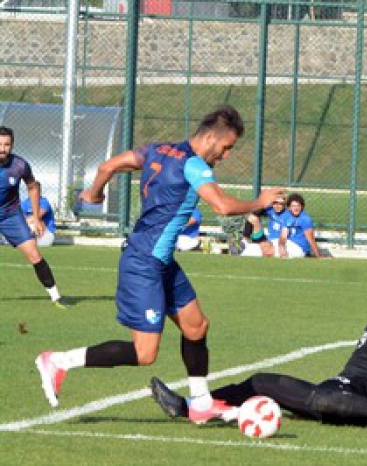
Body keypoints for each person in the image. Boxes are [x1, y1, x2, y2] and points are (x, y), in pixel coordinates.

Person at [34, 105, 285, 423]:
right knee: (144, 353)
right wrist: (259, 203)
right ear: (209, 137)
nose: (225, 156)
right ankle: (58, 361)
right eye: (226, 148)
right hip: (144, 262)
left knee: (196, 326)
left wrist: (94, 193)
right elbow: (221, 206)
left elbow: (110, 165)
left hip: (160, 260)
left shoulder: (157, 150)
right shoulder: (194, 165)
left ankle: (201, 402)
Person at [150, 258, 367, 430]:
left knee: (325, 400)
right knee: (262, 382)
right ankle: (188, 406)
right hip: (336, 390)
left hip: (359, 395)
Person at [0, 126, 68, 308]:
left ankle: (56, 297)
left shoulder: (19, 165)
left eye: (7, 144)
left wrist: (37, 218)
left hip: (9, 215)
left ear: (12, 145)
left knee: (34, 253)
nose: (2, 148)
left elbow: (33, 186)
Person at [277, 193, 323, 259]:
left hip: (300, 248)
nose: (296, 208)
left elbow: (311, 239)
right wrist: (281, 246)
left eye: (298, 206)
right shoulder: (286, 216)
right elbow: (283, 236)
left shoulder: (305, 219)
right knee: (268, 247)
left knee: (272, 251)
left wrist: (318, 256)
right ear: (289, 207)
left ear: (302, 207)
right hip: (289, 244)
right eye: (293, 206)